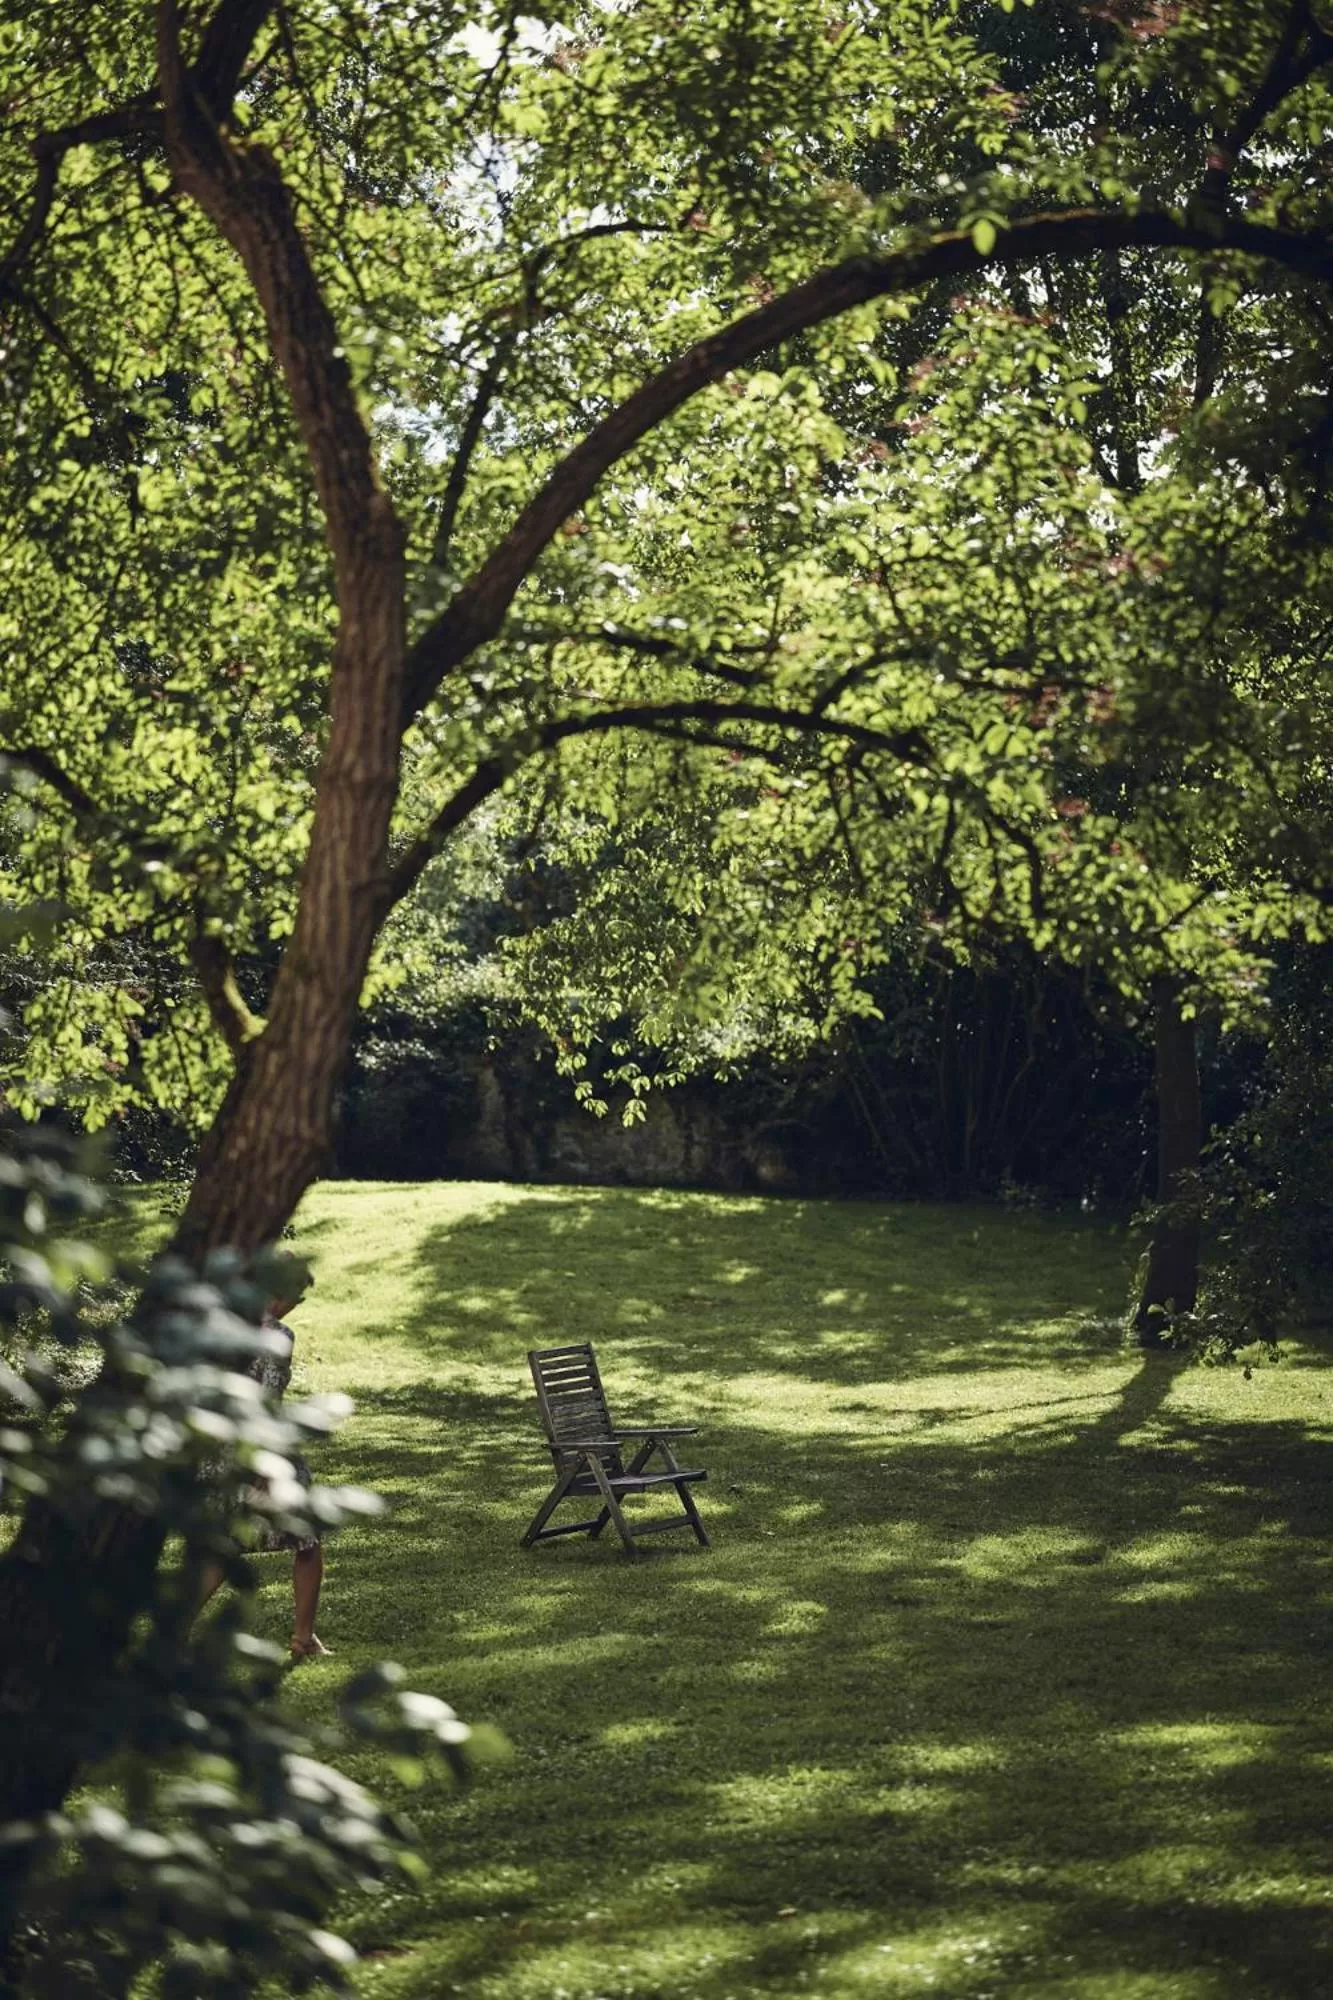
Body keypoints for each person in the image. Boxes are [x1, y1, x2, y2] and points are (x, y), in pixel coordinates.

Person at [199, 1282, 330, 1662]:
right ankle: (303, 1639)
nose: (293, 1305)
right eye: (295, 1296)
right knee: (307, 1539)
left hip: (217, 1449)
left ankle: (173, 1631)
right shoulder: (277, 1335)